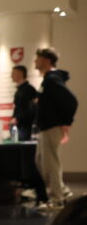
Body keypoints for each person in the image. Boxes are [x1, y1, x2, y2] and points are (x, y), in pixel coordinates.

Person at [34, 47, 78, 210]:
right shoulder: (49, 79)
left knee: (49, 164)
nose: (35, 62)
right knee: (41, 162)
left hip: (51, 127)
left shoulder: (52, 78)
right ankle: (62, 191)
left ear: (46, 60)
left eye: (37, 58)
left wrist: (66, 122)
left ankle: (57, 199)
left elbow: (71, 100)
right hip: (46, 127)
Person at [11, 64, 38, 143]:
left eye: (13, 73)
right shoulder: (19, 90)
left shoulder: (29, 90)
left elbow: (30, 108)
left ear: (20, 73)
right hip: (18, 125)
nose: (11, 76)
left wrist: (17, 118)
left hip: (25, 126)